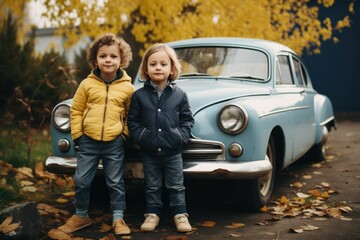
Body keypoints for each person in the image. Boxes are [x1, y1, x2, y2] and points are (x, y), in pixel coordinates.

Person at [57, 33, 134, 236]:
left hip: (114, 142)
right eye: (103, 56)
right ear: (95, 60)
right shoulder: (86, 84)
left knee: (115, 181)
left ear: (121, 60)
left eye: (113, 56)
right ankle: (81, 215)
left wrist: (123, 135)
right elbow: (76, 110)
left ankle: (118, 218)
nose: (108, 60)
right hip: (88, 141)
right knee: (82, 180)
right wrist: (79, 136)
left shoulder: (128, 88)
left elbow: (129, 116)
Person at [128, 43, 194, 233]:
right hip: (149, 150)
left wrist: (180, 137)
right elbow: (133, 121)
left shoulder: (180, 94)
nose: (158, 67)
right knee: (152, 185)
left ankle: (180, 214)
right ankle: (152, 214)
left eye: (163, 64)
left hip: (173, 150)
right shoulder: (139, 95)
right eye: (153, 64)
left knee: (176, 185)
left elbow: (187, 120)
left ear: (172, 68)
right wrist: (142, 137)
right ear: (146, 69)